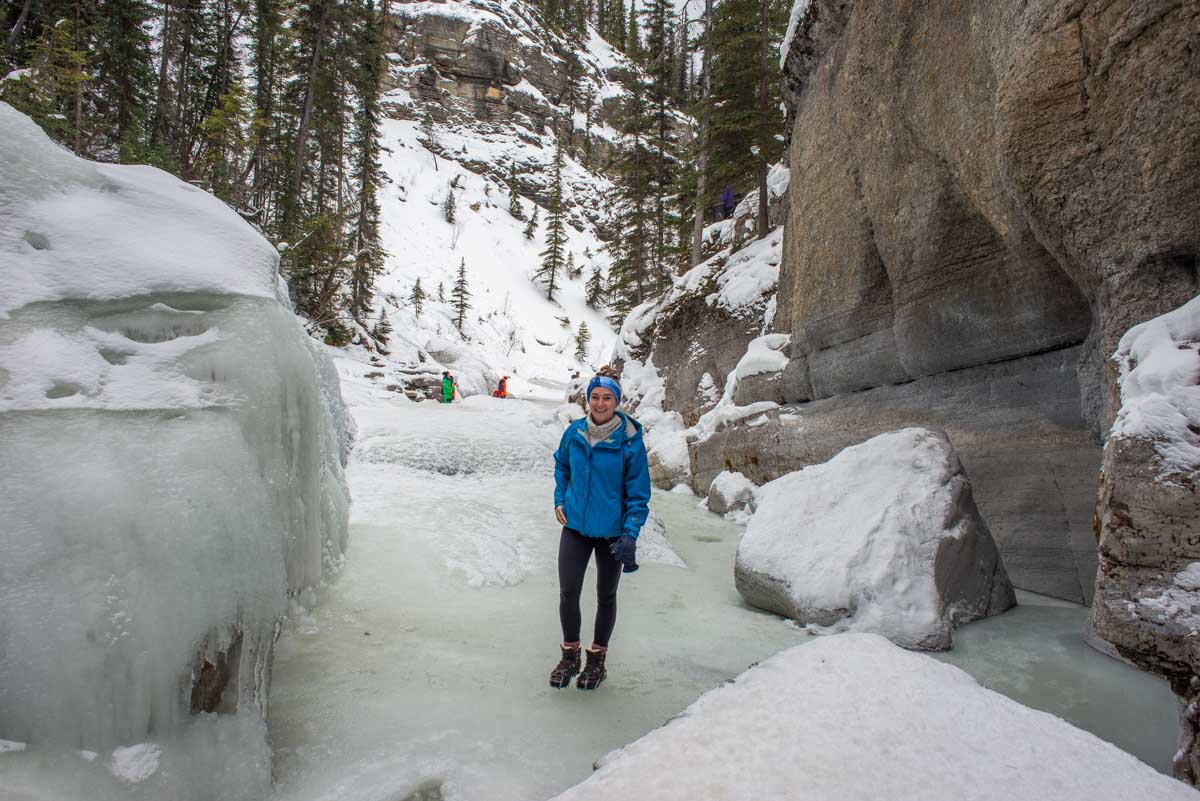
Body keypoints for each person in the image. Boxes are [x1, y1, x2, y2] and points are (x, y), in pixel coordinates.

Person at [549, 371, 650, 690]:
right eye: (595, 397)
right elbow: (561, 465)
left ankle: (597, 662)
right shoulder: (574, 432)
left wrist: (630, 533)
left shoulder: (630, 440)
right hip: (576, 527)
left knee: (606, 595)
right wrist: (559, 499)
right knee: (568, 593)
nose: (601, 403)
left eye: (607, 397)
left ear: (617, 401)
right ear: (587, 399)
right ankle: (570, 656)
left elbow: (638, 493)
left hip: (612, 532)